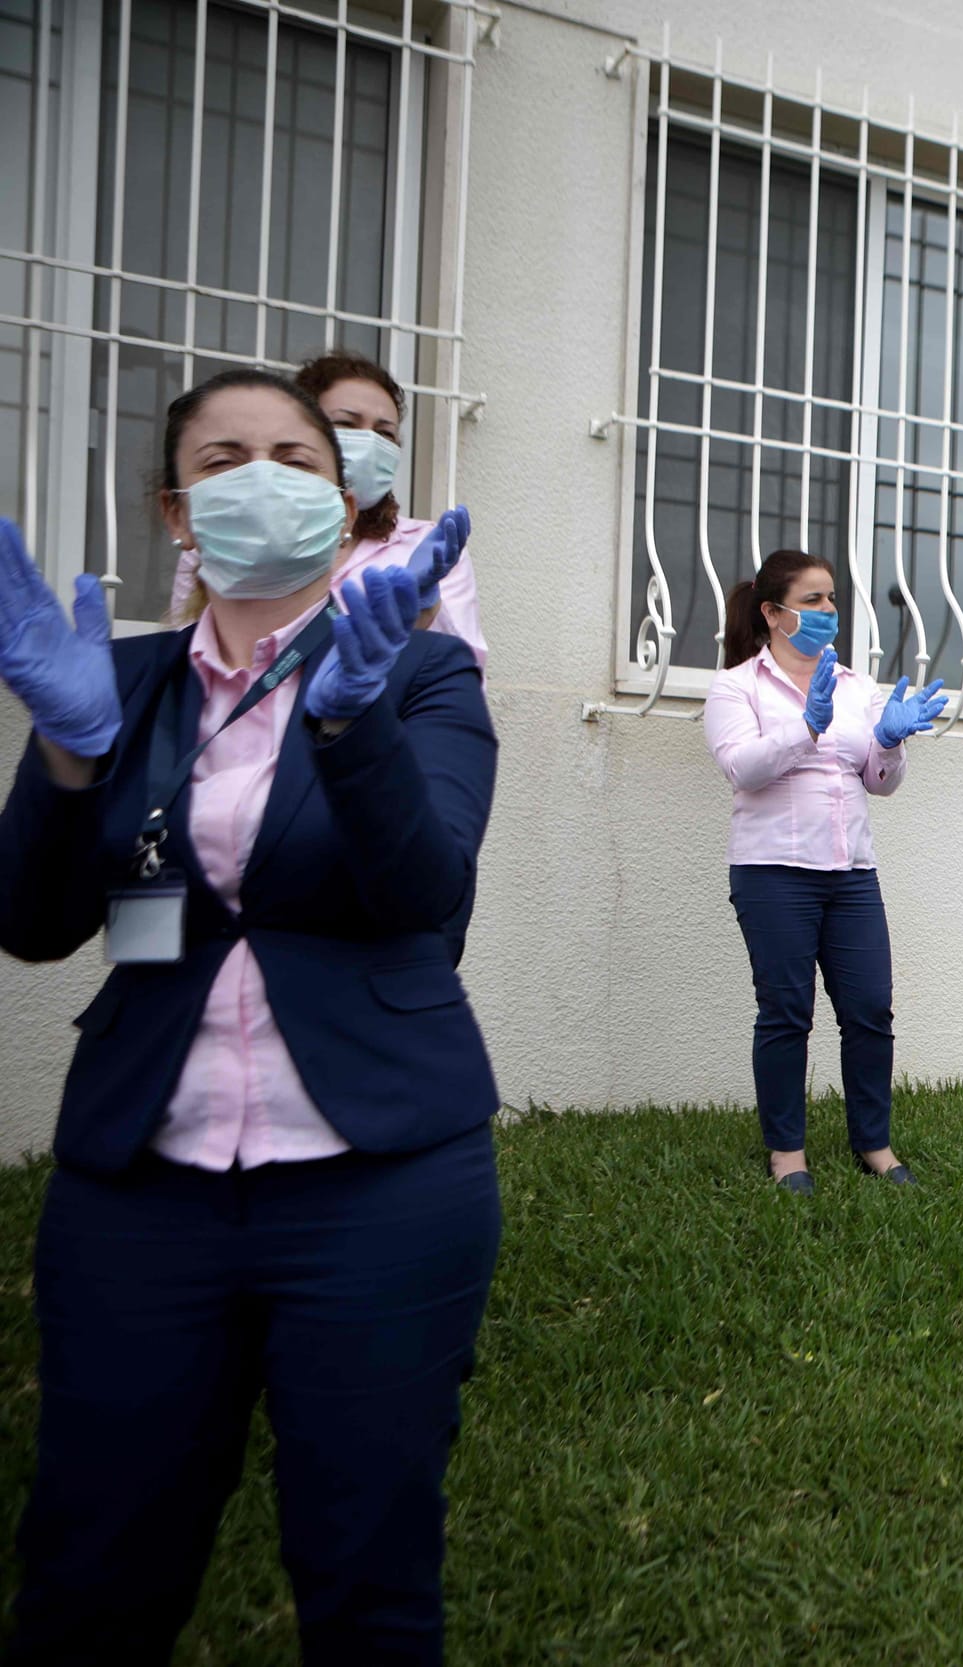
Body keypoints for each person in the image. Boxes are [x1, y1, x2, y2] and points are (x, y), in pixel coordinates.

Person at [0, 367, 497, 1663]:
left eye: (293, 454)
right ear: (176, 513)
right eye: (221, 460)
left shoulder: (422, 676)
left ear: (343, 509)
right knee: (94, 1565)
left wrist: (349, 726)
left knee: (368, 1571)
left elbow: (425, 894)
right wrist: (62, 756)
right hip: (140, 1187)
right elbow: (34, 918)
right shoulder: (117, 684)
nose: (258, 476)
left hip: (379, 1175)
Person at [703, 548, 948, 1195]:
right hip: (773, 872)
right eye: (813, 599)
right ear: (772, 612)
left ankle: (874, 1142)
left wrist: (891, 741)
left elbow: (879, 780)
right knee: (786, 1012)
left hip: (851, 872)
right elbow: (743, 768)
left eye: (832, 598)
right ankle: (788, 1153)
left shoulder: (853, 686)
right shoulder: (737, 686)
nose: (827, 611)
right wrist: (806, 728)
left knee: (870, 1008)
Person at [169, 349, 488, 670]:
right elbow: (190, 658)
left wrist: (425, 615)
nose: (368, 442)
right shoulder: (228, 532)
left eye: (384, 433)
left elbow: (464, 673)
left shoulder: (430, 547)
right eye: (346, 423)